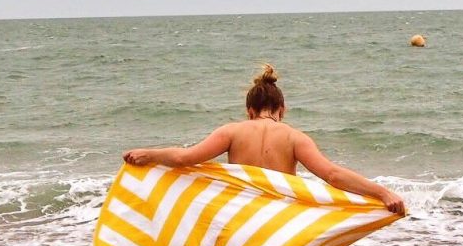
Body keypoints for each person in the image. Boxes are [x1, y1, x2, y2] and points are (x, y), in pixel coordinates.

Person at [123, 65, 406, 215]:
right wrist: (382, 193)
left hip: (239, 217)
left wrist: (149, 154)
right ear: (281, 110)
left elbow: (184, 158)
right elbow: (332, 174)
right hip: (279, 220)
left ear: (249, 111)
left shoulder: (231, 131)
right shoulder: (295, 137)